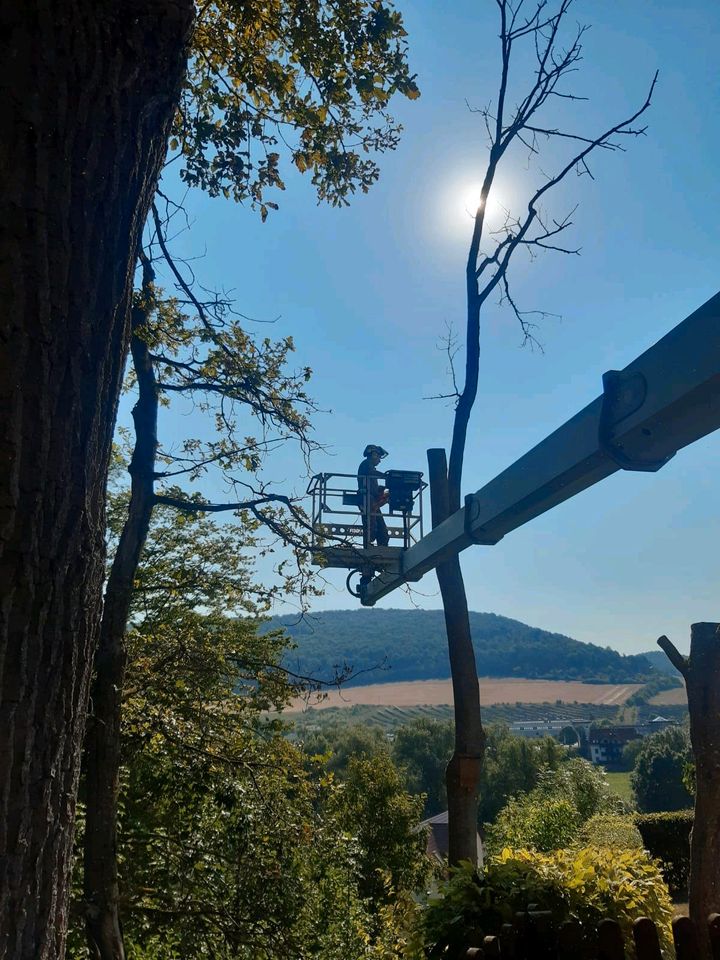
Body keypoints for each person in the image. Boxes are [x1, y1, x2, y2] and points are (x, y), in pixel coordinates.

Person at [357, 444, 390, 547]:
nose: (379, 461)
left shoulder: (369, 466)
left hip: (373, 502)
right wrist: (385, 476)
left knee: (382, 531)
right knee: (371, 527)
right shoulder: (366, 464)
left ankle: (382, 547)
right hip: (368, 501)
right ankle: (369, 545)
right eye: (379, 457)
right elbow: (371, 473)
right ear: (374, 454)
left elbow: (373, 487)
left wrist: (382, 490)